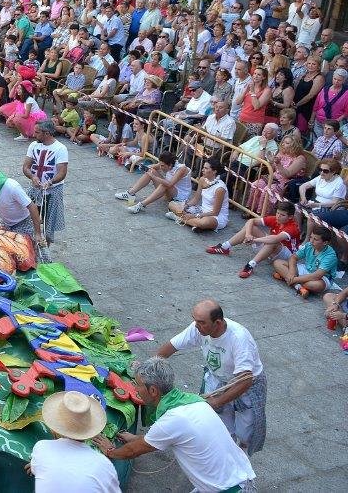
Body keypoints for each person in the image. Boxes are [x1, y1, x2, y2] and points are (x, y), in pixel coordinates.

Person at [94, 357, 256, 493]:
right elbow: (162, 435)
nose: (135, 388)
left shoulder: (172, 419)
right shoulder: (193, 402)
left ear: (153, 391)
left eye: (138, 384)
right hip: (239, 478)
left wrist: (110, 451)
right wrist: (136, 438)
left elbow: (133, 451)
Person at [156, 300, 267, 455]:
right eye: (195, 320)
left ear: (218, 322)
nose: (196, 326)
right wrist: (150, 368)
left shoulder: (239, 338)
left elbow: (245, 380)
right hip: (218, 381)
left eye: (201, 322)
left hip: (246, 387)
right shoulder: (198, 328)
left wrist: (216, 401)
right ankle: (223, 457)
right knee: (220, 430)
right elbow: (172, 346)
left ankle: (242, 463)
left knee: (245, 434)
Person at [27, 391, 120, 492]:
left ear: (53, 428)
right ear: (90, 429)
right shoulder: (102, 464)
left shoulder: (41, 448)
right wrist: (110, 453)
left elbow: (37, 468)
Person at [208, 200, 300, 279]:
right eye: (277, 213)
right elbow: (251, 221)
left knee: (273, 242)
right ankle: (225, 247)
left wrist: (255, 240)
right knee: (250, 228)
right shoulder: (276, 219)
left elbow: (276, 239)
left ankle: (251, 265)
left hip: (288, 255)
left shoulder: (292, 227)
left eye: (282, 215)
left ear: (290, 217)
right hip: (274, 247)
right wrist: (248, 234)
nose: (278, 216)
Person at [23, 121, 67, 243]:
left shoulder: (60, 149)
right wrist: (33, 177)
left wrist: (50, 182)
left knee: (49, 224)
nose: (33, 134)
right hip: (35, 189)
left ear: (47, 133)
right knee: (27, 217)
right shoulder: (33, 145)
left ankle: (45, 249)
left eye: (37, 132)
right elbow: (26, 167)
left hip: (52, 191)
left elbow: (62, 172)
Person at [272, 226, 339, 298]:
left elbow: (317, 276)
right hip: (306, 269)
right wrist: (291, 272)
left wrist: (294, 279)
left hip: (322, 278)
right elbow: (293, 257)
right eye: (311, 237)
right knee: (277, 263)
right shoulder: (309, 245)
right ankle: (298, 287)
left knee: (315, 285)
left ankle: (287, 278)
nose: (311, 241)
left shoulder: (330, 256)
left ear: (325, 242)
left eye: (315, 239)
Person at [116, 151, 192, 214]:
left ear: (170, 165)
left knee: (164, 184)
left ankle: (141, 205)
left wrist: (153, 176)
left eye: (162, 166)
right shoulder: (167, 163)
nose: (161, 167)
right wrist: (147, 168)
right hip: (169, 192)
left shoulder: (182, 169)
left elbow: (169, 184)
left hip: (179, 196)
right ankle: (130, 193)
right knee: (151, 171)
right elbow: (154, 166)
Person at [166, 157, 229, 231]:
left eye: (206, 168)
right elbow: (196, 199)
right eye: (203, 168)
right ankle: (193, 223)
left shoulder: (220, 188)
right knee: (172, 204)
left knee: (204, 222)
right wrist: (185, 206)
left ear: (214, 171)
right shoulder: (202, 179)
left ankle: (179, 218)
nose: (202, 170)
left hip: (215, 216)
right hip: (202, 210)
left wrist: (194, 216)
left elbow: (215, 212)